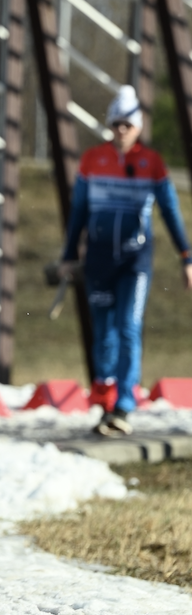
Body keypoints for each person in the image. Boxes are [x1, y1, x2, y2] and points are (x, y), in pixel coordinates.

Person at [59, 84, 192, 437]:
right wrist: (69, 254)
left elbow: (170, 211)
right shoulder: (92, 160)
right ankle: (104, 399)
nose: (120, 131)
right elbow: (79, 212)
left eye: (127, 125)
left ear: (138, 126)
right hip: (99, 259)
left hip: (135, 260)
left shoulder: (152, 163)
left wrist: (186, 256)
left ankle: (124, 404)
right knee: (104, 332)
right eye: (115, 124)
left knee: (129, 327)